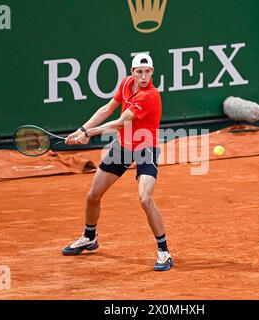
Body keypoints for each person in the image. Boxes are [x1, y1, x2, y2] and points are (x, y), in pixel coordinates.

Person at [62, 53, 173, 271]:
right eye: (139, 72)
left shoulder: (149, 96)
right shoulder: (126, 84)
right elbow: (107, 109)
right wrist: (81, 130)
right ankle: (89, 237)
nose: (143, 76)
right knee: (93, 194)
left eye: (147, 72)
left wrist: (89, 134)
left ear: (152, 72)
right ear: (132, 72)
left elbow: (121, 122)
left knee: (145, 199)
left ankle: (164, 251)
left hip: (145, 148)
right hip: (122, 147)